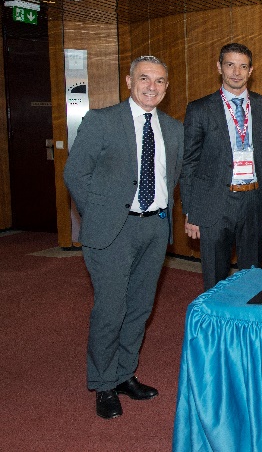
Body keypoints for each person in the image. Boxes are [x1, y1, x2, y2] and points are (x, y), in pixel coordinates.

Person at [64, 56, 183, 419]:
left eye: (160, 81)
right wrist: (100, 214)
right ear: (129, 81)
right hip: (113, 229)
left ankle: (123, 374)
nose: (152, 86)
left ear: (166, 87)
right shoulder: (101, 121)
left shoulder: (173, 128)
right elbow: (75, 174)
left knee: (139, 309)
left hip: (154, 227)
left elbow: (170, 179)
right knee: (111, 309)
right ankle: (102, 384)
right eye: (144, 78)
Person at [181, 43, 262, 290]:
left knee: (252, 277)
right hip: (214, 202)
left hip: (255, 202)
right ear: (219, 67)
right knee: (214, 276)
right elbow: (189, 162)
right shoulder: (199, 108)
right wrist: (191, 211)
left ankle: (248, 325)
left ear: (251, 70)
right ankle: (215, 327)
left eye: (243, 66)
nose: (236, 72)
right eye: (230, 65)